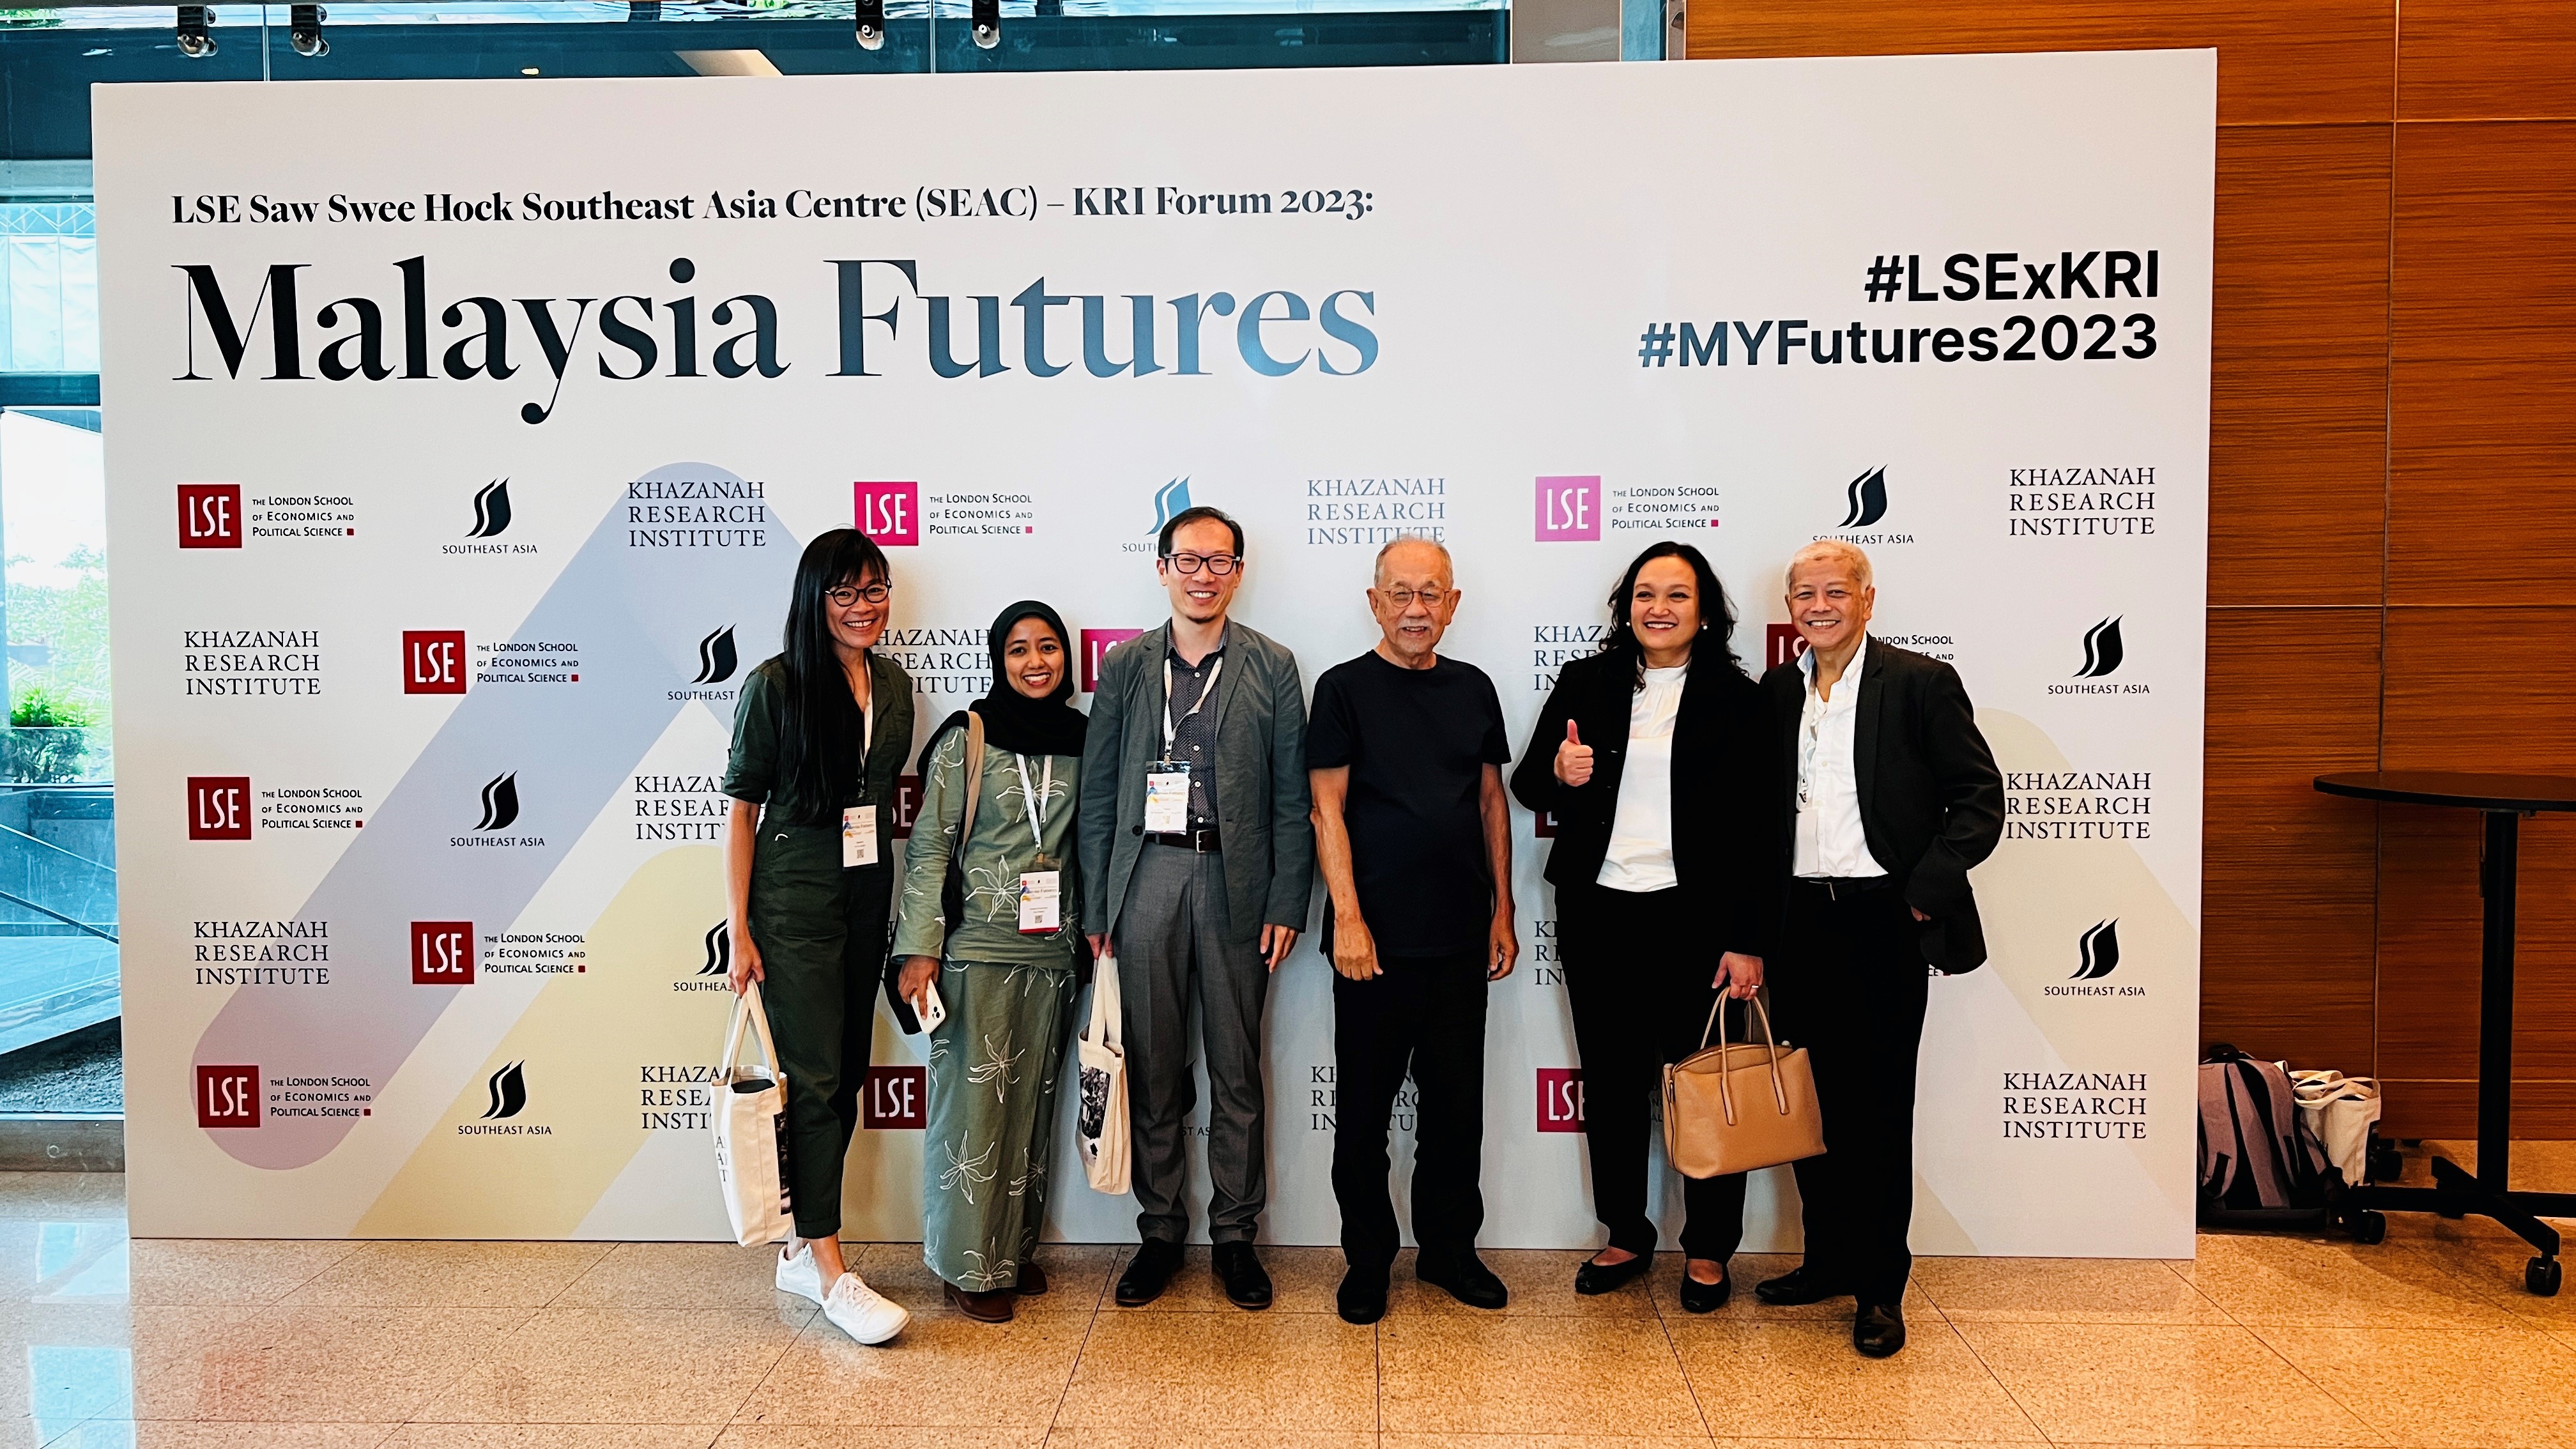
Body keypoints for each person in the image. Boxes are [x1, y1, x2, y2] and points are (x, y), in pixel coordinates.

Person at [1509, 539, 1781, 1313]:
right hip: (1599, 913)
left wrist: (1749, 939)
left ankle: (1710, 1248)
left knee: (1708, 1085)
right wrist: (1558, 774)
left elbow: (1764, 832)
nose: (1658, 609)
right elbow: (1529, 785)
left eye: (1677, 596)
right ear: (1626, 607)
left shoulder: (1740, 698)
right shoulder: (1585, 681)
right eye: (1645, 595)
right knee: (1612, 1081)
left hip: (1699, 922)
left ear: (1706, 613)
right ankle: (1626, 1231)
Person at [1752, 540, 2002, 1358]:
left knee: (1879, 1111)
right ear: (1790, 607)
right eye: (1805, 594)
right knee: (1809, 1106)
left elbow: (1978, 799)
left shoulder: (1921, 683)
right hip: (1798, 925)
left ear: (1867, 599)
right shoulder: (1777, 691)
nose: (1819, 606)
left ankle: (1880, 1289)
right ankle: (1825, 1261)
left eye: (1835, 591)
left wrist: (1923, 892)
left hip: (1882, 920)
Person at [1078, 503, 1315, 1310]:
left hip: (1236, 881)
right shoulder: (1126, 666)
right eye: (1189, 560)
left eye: (1219, 561)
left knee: (1236, 1070)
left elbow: (1292, 797)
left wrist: (1287, 898)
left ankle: (1236, 1238)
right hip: (1146, 874)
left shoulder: (1273, 666)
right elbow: (1100, 793)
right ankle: (1160, 1233)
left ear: (1238, 573)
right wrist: (1100, 905)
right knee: (1153, 1064)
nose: (1203, 575)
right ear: (1162, 569)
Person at [1308, 537, 1517, 1325]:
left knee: (1457, 1116)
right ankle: (1368, 1262)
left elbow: (1491, 803)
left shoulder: (1475, 688)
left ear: (1453, 605)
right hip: (1372, 948)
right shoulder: (1342, 689)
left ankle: (1449, 1253)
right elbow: (1326, 810)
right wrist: (1349, 920)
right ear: (1375, 602)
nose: (1416, 609)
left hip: (1461, 941)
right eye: (1400, 593)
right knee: (1363, 1119)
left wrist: (1503, 909)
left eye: (1431, 594)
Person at [723, 528, 916, 1346]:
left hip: (866, 894)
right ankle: (831, 1270)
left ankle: (801, 1248)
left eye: (874, 590)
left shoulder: (895, 685)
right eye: (845, 592)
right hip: (794, 897)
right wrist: (740, 928)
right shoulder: (776, 685)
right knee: (810, 1078)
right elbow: (742, 810)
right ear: (815, 598)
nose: (863, 607)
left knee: (845, 1075)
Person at [893, 601, 1091, 1324]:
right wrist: (919, 948)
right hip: (976, 951)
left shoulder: (1084, 738)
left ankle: (1008, 1250)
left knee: (1031, 1110)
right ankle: (965, 1266)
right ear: (997, 660)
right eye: (1018, 650)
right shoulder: (967, 737)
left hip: (1054, 953)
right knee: (974, 1114)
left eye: (1049, 647)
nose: (1036, 663)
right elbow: (930, 849)